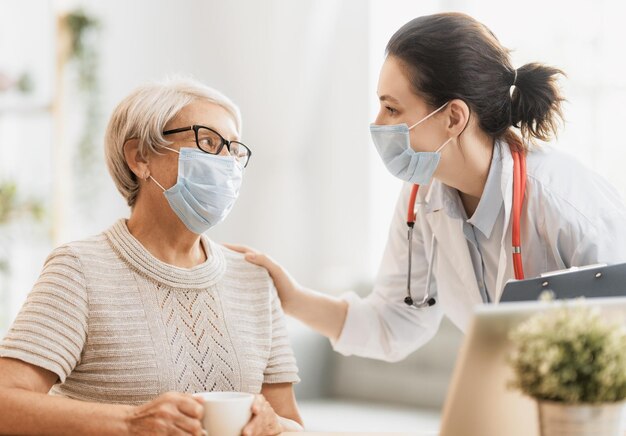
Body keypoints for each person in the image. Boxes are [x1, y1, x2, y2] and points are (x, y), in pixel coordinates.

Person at [228, 12, 626, 363]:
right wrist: (291, 297)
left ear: (453, 117)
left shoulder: (568, 205)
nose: (378, 124)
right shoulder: (422, 197)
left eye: (392, 108)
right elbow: (392, 322)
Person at [0, 77, 303, 435]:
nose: (228, 164)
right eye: (208, 142)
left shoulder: (253, 278)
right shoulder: (79, 269)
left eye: (235, 151)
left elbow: (292, 423)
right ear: (140, 157)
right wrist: (131, 423)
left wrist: (276, 426)